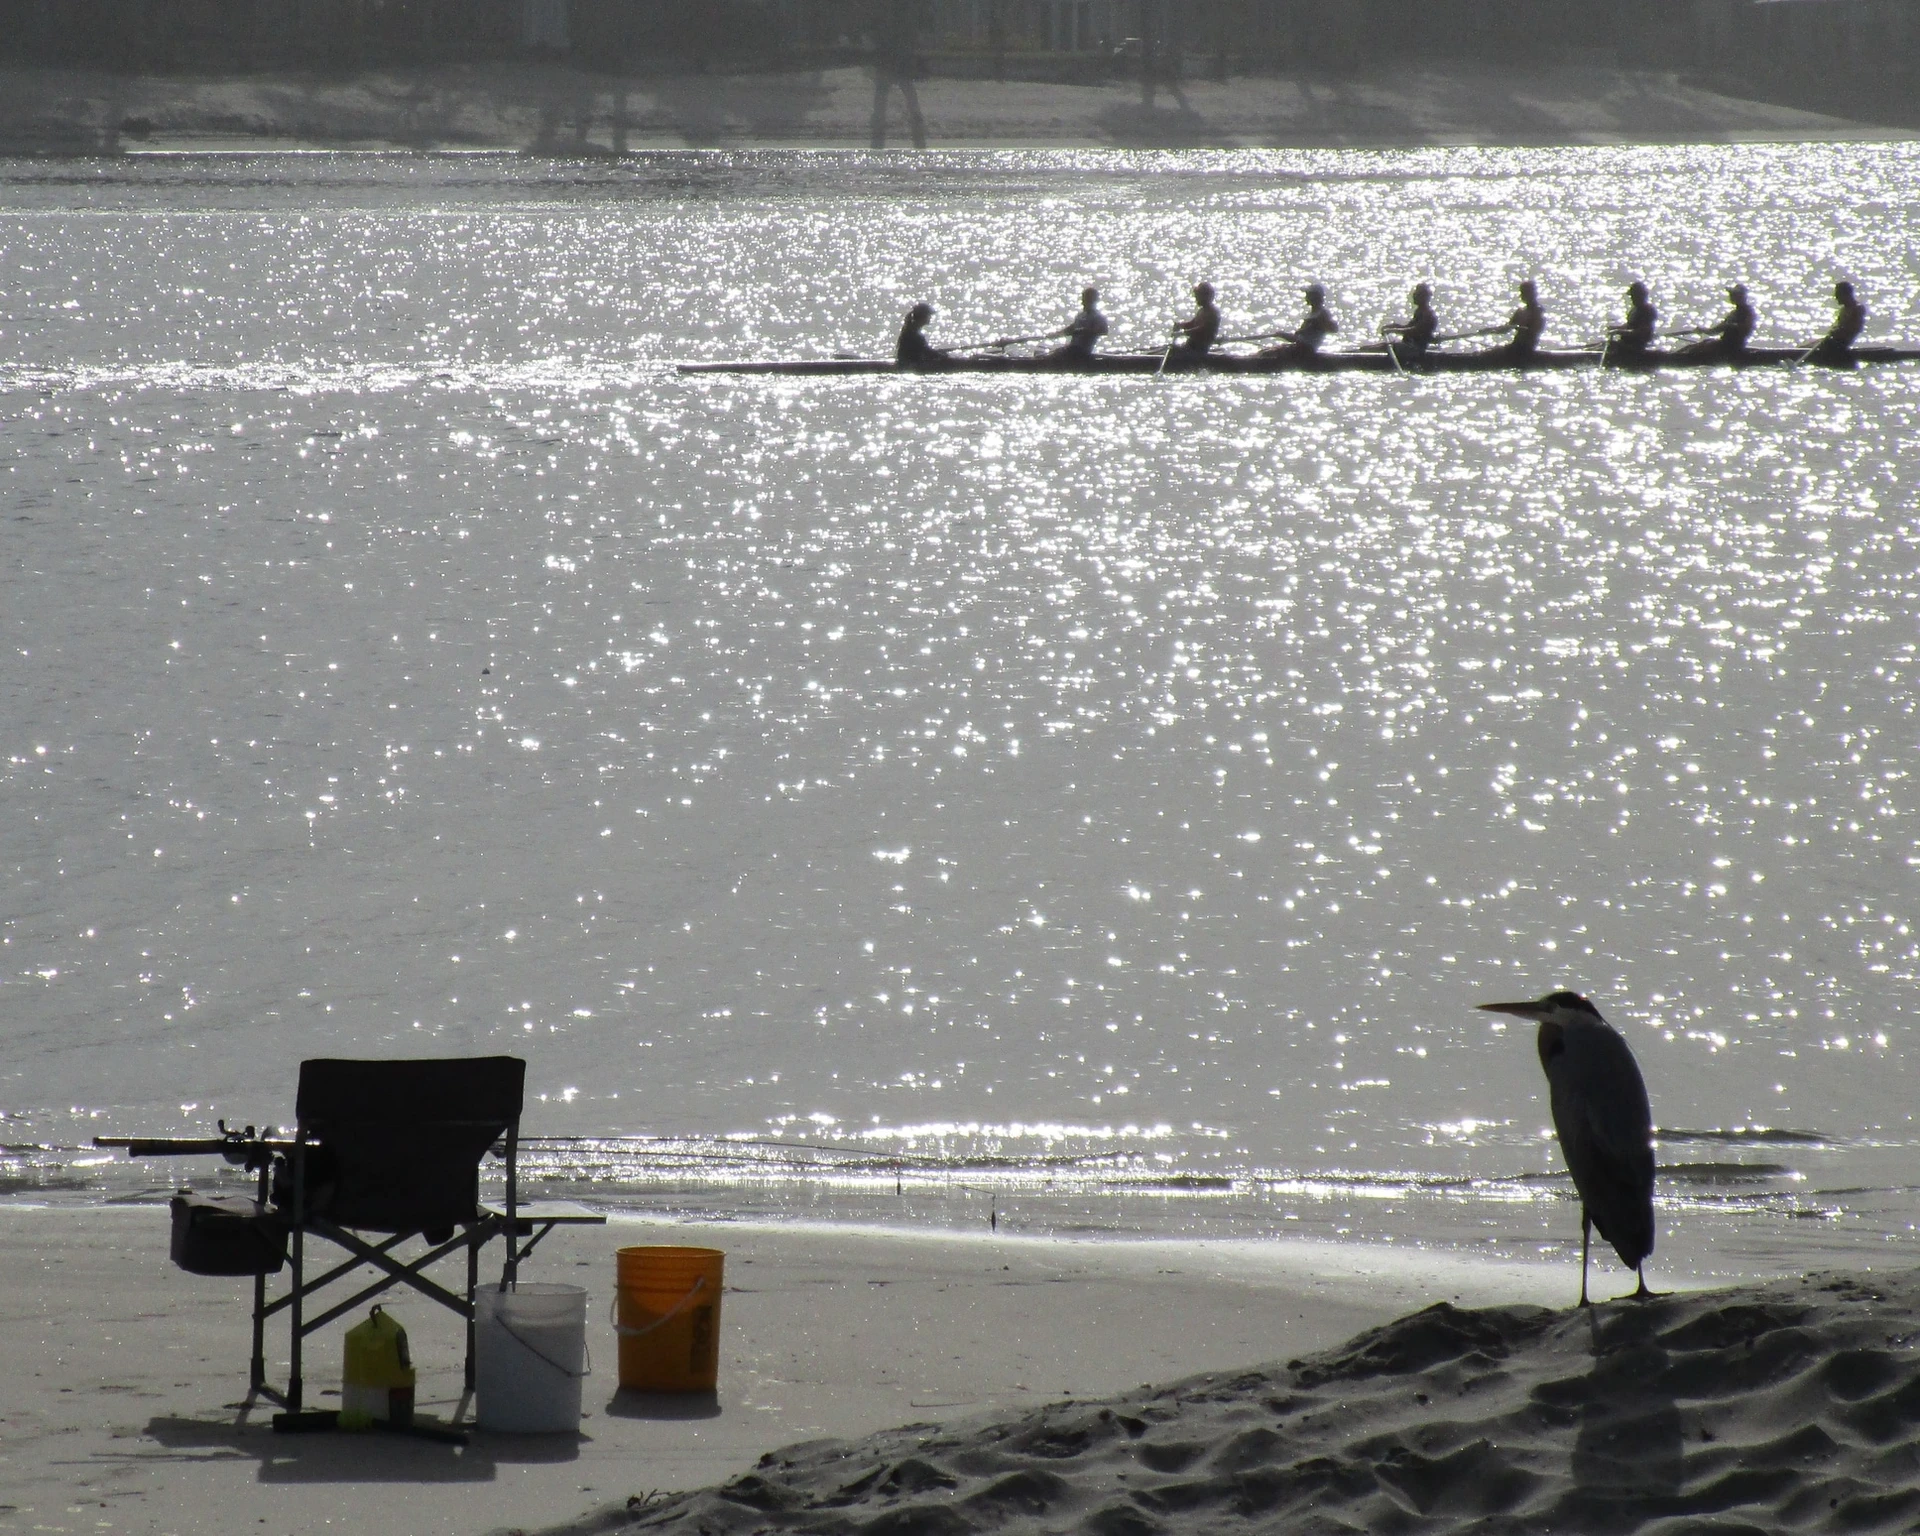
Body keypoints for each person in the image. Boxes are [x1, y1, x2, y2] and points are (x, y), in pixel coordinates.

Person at [1673, 283, 1756, 360]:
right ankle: (1673, 356)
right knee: (1691, 347)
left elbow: (1747, 329)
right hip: (1724, 344)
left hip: (1733, 347)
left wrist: (1730, 326)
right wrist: (1703, 330)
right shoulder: (1733, 313)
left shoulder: (1748, 312)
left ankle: (1675, 360)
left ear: (1741, 297)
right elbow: (1714, 331)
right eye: (1731, 294)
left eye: (1733, 294)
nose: (1730, 296)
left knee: (1697, 348)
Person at [1259, 284, 1340, 360]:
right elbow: (1297, 338)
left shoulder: (1321, 314)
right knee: (1265, 351)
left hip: (1305, 351)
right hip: (1300, 348)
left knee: (1266, 354)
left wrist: (1283, 335)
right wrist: (1282, 334)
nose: (1306, 297)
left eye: (1308, 295)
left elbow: (1334, 329)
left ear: (1315, 297)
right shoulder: (1312, 314)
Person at [1807, 279, 1867, 364]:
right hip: (1834, 341)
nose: (1836, 297)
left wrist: (1837, 332)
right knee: (1808, 345)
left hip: (1841, 344)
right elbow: (1838, 327)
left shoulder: (1857, 309)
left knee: (1817, 346)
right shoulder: (1844, 309)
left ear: (1845, 295)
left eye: (1838, 294)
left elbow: (1853, 328)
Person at [1483, 279, 1546, 358]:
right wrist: (1490, 330)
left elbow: (1536, 330)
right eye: (1522, 293)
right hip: (1516, 346)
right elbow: (1506, 329)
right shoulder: (1520, 312)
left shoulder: (1538, 312)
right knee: (1491, 351)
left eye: (1524, 293)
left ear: (1532, 294)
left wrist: (1523, 327)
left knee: (1495, 353)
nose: (1522, 296)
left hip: (1526, 348)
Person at [1048, 286, 1110, 364]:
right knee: (1051, 352)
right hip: (1073, 349)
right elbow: (1071, 329)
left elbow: (1104, 331)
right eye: (1083, 299)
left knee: (1056, 354)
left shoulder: (1098, 317)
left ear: (1094, 301)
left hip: (1083, 351)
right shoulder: (1080, 316)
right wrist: (1056, 334)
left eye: (1087, 300)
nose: (1083, 302)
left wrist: (1085, 331)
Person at [1378, 281, 1439, 359]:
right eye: (1415, 294)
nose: (1414, 296)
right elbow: (1407, 327)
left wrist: (1393, 330)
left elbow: (1414, 330)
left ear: (1424, 297)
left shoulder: (1428, 315)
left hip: (1415, 349)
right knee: (1375, 347)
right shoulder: (1419, 311)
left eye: (1417, 294)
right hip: (1409, 346)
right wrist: (1392, 326)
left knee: (1384, 347)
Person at [1169, 281, 1221, 363]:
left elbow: (1202, 330)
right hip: (1191, 346)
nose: (1196, 298)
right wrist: (1180, 325)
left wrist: (1184, 333)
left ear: (1205, 296)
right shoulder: (1202, 310)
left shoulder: (1212, 312)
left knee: (1173, 351)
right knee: (1171, 348)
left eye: (1198, 295)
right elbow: (1192, 324)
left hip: (1199, 350)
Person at [1606, 281, 1658, 362]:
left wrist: (1619, 331)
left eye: (1634, 296)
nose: (1632, 299)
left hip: (1637, 347)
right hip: (1627, 344)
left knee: (1614, 347)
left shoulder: (1648, 311)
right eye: (1632, 296)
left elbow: (1641, 332)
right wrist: (1616, 328)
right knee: (1608, 345)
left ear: (1641, 296)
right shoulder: (1635, 309)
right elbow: (1630, 325)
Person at [895, 301, 948, 368]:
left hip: (909, 363)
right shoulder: (914, 334)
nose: (930, 318)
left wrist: (938, 353)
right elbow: (927, 352)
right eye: (929, 315)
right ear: (923, 316)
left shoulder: (911, 330)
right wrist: (941, 355)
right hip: (911, 365)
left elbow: (925, 350)